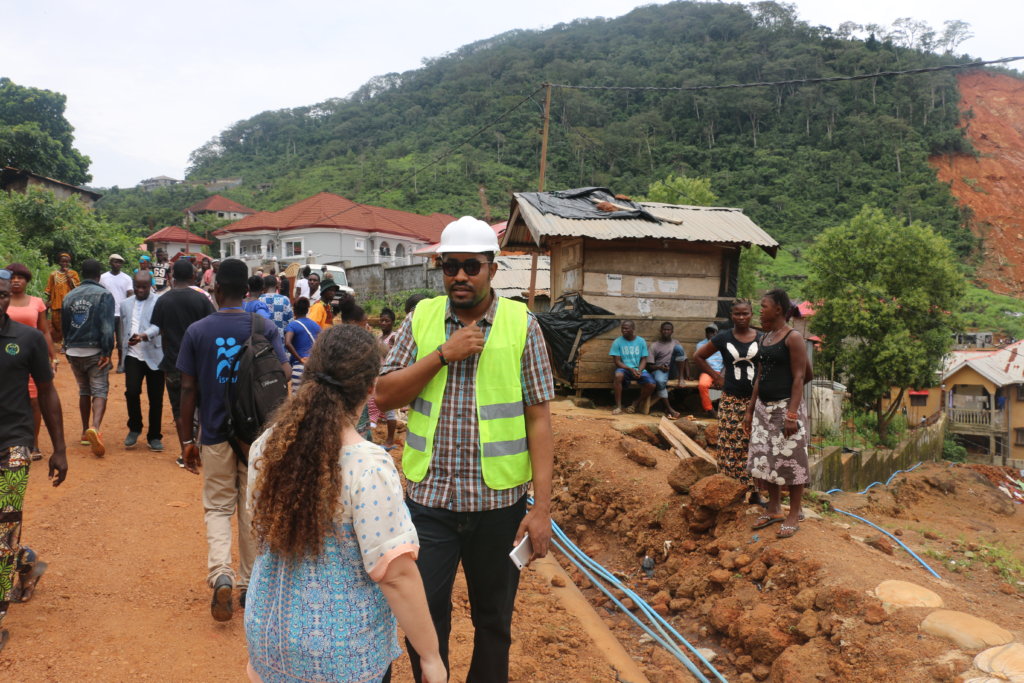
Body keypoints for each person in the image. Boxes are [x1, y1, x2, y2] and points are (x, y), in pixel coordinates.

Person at [376, 216, 555, 683]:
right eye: (449, 266)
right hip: (429, 504)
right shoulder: (425, 318)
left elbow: (539, 418)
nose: (459, 275)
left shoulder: (522, 325)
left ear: (492, 269)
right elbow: (384, 394)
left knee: (494, 622)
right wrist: (442, 354)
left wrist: (541, 509)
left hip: (498, 505)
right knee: (424, 619)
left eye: (470, 266)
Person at [245, 324, 446, 683]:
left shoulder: (267, 447)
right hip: (343, 654)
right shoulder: (368, 466)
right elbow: (397, 575)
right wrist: (430, 656)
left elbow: (257, 529)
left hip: (269, 635)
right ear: (370, 388)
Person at [176, 258, 290, 622]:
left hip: (213, 433)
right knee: (249, 508)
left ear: (216, 289)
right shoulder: (264, 325)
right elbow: (283, 373)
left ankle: (220, 573)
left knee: (218, 506)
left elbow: (188, 388)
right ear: (246, 291)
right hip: (255, 437)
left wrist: (186, 440)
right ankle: (247, 584)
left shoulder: (197, 331)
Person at [0, 268, 68, 653]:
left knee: (4, 528)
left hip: (13, 446)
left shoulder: (26, 340)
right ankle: (25, 561)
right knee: (4, 536)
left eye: (1, 295)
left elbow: (47, 392)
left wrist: (58, 448)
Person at [744, 288, 810, 539]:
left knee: (792, 461)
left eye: (763, 306)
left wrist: (792, 414)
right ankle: (774, 509)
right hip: (763, 407)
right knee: (765, 459)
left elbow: (801, 376)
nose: (760, 311)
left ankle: (793, 514)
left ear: (779, 309)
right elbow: (760, 375)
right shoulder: (764, 338)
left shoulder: (793, 338)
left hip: (785, 408)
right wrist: (750, 410)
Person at [147, 259, 215, 466]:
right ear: (193, 276)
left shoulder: (163, 300)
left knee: (179, 410)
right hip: (201, 363)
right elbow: (212, 326)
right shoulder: (202, 300)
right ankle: (202, 449)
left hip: (174, 363)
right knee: (204, 407)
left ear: (172, 276)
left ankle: (185, 451)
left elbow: (158, 329)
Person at [696, 299, 761, 501]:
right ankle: (731, 491)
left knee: (754, 445)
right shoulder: (724, 338)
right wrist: (716, 377)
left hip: (756, 400)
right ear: (731, 315)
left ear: (752, 314)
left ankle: (755, 493)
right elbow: (698, 356)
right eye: (737, 314)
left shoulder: (762, 338)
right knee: (729, 445)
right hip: (731, 399)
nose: (741, 318)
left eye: (745, 314)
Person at [62, 258, 116, 457]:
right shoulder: (104, 295)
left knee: (84, 390)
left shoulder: (69, 296)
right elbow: (107, 328)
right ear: (99, 274)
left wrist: (66, 347)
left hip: (74, 350)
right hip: (95, 351)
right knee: (99, 390)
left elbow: (64, 325)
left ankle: (85, 431)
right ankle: (95, 428)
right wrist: (107, 352)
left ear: (82, 274)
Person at [6, 263, 58, 460]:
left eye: (20, 277)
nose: (16, 280)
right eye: (13, 277)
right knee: (9, 402)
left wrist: (53, 357)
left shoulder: (36, 302)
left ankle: (33, 444)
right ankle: (11, 445)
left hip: (32, 360)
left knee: (35, 403)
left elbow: (44, 331)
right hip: (7, 361)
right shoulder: (3, 301)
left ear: (27, 280)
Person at [119, 273, 165, 451]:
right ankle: (135, 427)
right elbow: (124, 327)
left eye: (144, 287)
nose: (140, 290)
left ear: (150, 285)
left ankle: (154, 436)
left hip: (154, 355)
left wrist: (144, 335)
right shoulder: (125, 304)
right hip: (132, 355)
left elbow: (159, 326)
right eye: (137, 286)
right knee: (131, 392)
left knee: (156, 398)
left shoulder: (159, 302)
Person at [610, 320, 656, 415]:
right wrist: (630, 369)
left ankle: (635, 404)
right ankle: (618, 406)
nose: (624, 330)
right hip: (624, 368)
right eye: (622, 328)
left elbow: (644, 359)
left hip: (638, 368)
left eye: (626, 328)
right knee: (618, 375)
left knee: (652, 385)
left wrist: (639, 371)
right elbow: (617, 362)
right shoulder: (617, 342)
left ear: (633, 329)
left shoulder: (641, 341)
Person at [100, 254, 134, 371]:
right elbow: (100, 293)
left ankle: (121, 363)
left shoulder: (127, 278)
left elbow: (130, 294)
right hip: (107, 313)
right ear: (110, 263)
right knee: (107, 340)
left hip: (121, 314)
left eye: (120, 262)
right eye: (115, 262)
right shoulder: (103, 277)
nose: (117, 264)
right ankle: (108, 362)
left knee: (121, 341)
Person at [648, 322, 688, 419]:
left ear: (672, 331)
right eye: (664, 329)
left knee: (678, 348)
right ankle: (669, 409)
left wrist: (685, 376)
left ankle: (680, 378)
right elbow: (649, 366)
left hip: (674, 370)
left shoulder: (676, 343)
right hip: (661, 370)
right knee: (660, 381)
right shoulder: (654, 346)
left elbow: (685, 360)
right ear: (660, 331)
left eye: (668, 329)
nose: (666, 331)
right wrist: (660, 367)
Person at [283, 297, 321, 391]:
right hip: (314, 367)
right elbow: (322, 344)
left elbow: (287, 343)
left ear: (294, 310)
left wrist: (300, 359)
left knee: (297, 400)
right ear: (307, 310)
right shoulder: (316, 326)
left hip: (299, 367)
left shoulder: (292, 325)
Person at [43, 251, 79, 345]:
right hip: (56, 303)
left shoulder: (73, 273)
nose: (65, 264)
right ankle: (61, 339)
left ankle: (66, 341)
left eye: (67, 262)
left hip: (69, 303)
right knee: (56, 322)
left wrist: (68, 276)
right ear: (59, 262)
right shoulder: (53, 274)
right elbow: (49, 289)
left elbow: (76, 287)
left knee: (68, 322)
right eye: (63, 262)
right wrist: (48, 301)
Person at [378, 308, 399, 449]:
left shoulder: (394, 337)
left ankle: (390, 440)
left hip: (388, 375)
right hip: (378, 375)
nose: (384, 323)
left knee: (390, 408)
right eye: (382, 320)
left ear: (392, 323)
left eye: (387, 321)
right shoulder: (379, 337)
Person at [696, 323, 724, 416]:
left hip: (720, 371)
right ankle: (709, 409)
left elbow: (727, 362)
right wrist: (715, 377)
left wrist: (721, 376)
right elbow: (701, 362)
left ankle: (725, 409)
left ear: (716, 333)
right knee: (703, 385)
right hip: (707, 371)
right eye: (708, 332)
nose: (710, 334)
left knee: (730, 384)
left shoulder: (722, 344)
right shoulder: (701, 345)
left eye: (712, 332)